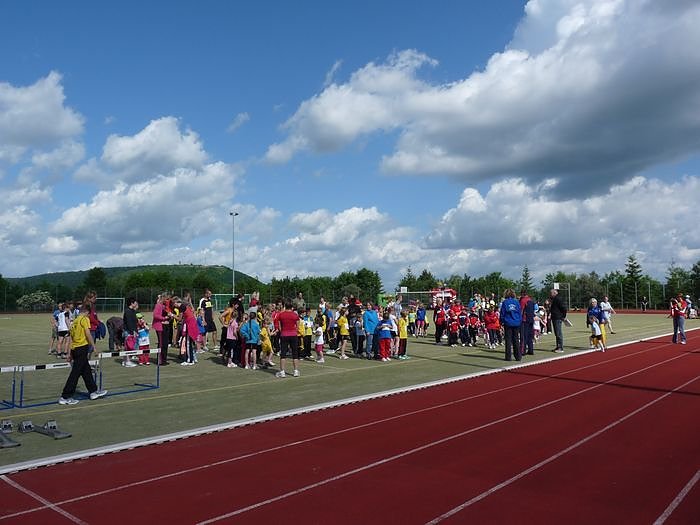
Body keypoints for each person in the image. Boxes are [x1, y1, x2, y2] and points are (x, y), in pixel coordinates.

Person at [58, 301, 107, 405]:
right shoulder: (84, 319)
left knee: (86, 371)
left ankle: (93, 391)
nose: (89, 315)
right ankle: (65, 396)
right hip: (82, 348)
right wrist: (94, 347)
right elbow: (88, 334)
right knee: (75, 374)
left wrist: (70, 353)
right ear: (86, 312)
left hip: (75, 349)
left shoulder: (75, 321)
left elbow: (71, 338)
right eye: (89, 313)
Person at [276, 301, 301, 378]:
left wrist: (283, 331)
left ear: (285, 306)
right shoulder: (295, 315)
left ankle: (282, 372)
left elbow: (279, 327)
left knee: (283, 354)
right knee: (295, 353)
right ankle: (296, 371)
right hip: (293, 335)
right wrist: (294, 331)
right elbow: (298, 326)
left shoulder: (281, 315)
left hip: (284, 334)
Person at [499, 289, 522, 361]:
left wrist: (501, 322)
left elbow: (502, 313)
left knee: (508, 340)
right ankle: (518, 356)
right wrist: (519, 321)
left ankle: (508, 357)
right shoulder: (516, 302)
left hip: (508, 322)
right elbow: (519, 312)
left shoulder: (505, 302)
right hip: (516, 322)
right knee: (516, 339)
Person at [122, 297, 139, 367]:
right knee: (128, 347)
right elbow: (129, 323)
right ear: (132, 303)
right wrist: (133, 332)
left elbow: (135, 322)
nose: (136, 303)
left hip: (132, 331)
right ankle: (127, 361)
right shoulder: (128, 311)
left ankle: (125, 360)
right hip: (128, 331)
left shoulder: (133, 311)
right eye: (135, 302)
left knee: (129, 346)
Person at [549, 289, 567, 353]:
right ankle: (558, 346)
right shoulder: (555, 299)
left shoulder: (558, 299)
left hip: (558, 318)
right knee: (557, 333)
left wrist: (563, 316)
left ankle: (560, 348)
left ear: (554, 293)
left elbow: (564, 308)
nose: (550, 294)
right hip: (555, 317)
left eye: (551, 293)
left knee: (558, 333)